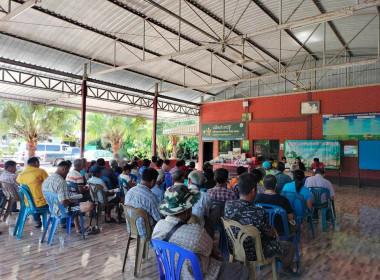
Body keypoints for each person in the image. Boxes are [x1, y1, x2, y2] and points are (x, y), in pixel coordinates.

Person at [152, 185, 249, 280]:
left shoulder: (158, 226)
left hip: (170, 274)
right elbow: (212, 251)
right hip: (199, 275)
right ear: (187, 210)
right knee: (244, 270)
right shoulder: (196, 232)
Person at [224, 173, 297, 275]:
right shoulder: (259, 211)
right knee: (290, 246)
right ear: (254, 191)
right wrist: (272, 229)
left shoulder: (228, 205)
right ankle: (284, 269)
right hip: (256, 252)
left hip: (234, 247)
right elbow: (269, 234)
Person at [42, 161, 93, 233]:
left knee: (74, 203)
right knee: (89, 205)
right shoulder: (61, 182)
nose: (67, 173)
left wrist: (70, 202)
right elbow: (63, 202)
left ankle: (78, 228)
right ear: (64, 169)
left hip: (52, 208)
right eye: (67, 171)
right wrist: (70, 202)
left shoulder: (47, 180)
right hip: (62, 210)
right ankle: (79, 228)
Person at [124, 168, 161, 237]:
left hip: (131, 229)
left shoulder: (130, 191)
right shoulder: (151, 197)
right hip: (146, 231)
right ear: (153, 181)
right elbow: (158, 218)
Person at [16, 157, 49, 228]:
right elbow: (49, 184)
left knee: (33, 199)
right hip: (41, 203)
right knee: (57, 200)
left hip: (28, 203)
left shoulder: (20, 175)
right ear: (37, 163)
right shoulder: (40, 171)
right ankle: (63, 222)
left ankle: (37, 221)